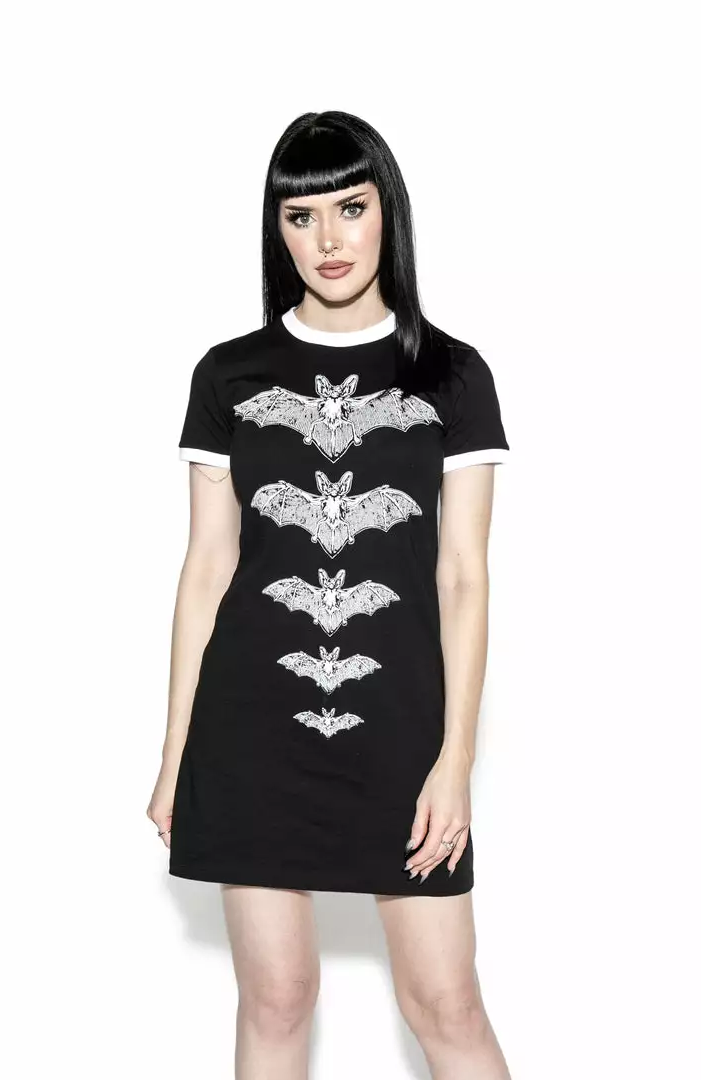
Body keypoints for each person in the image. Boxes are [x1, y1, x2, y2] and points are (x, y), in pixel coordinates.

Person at [147, 110, 513, 1080]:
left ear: (387, 211)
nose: (329, 239)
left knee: (447, 1004)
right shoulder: (230, 375)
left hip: (400, 729)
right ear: (278, 230)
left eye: (350, 208)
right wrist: (177, 754)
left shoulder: (451, 375)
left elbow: (464, 576)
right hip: (250, 732)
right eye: (300, 217)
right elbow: (208, 568)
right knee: (276, 998)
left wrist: (456, 758)